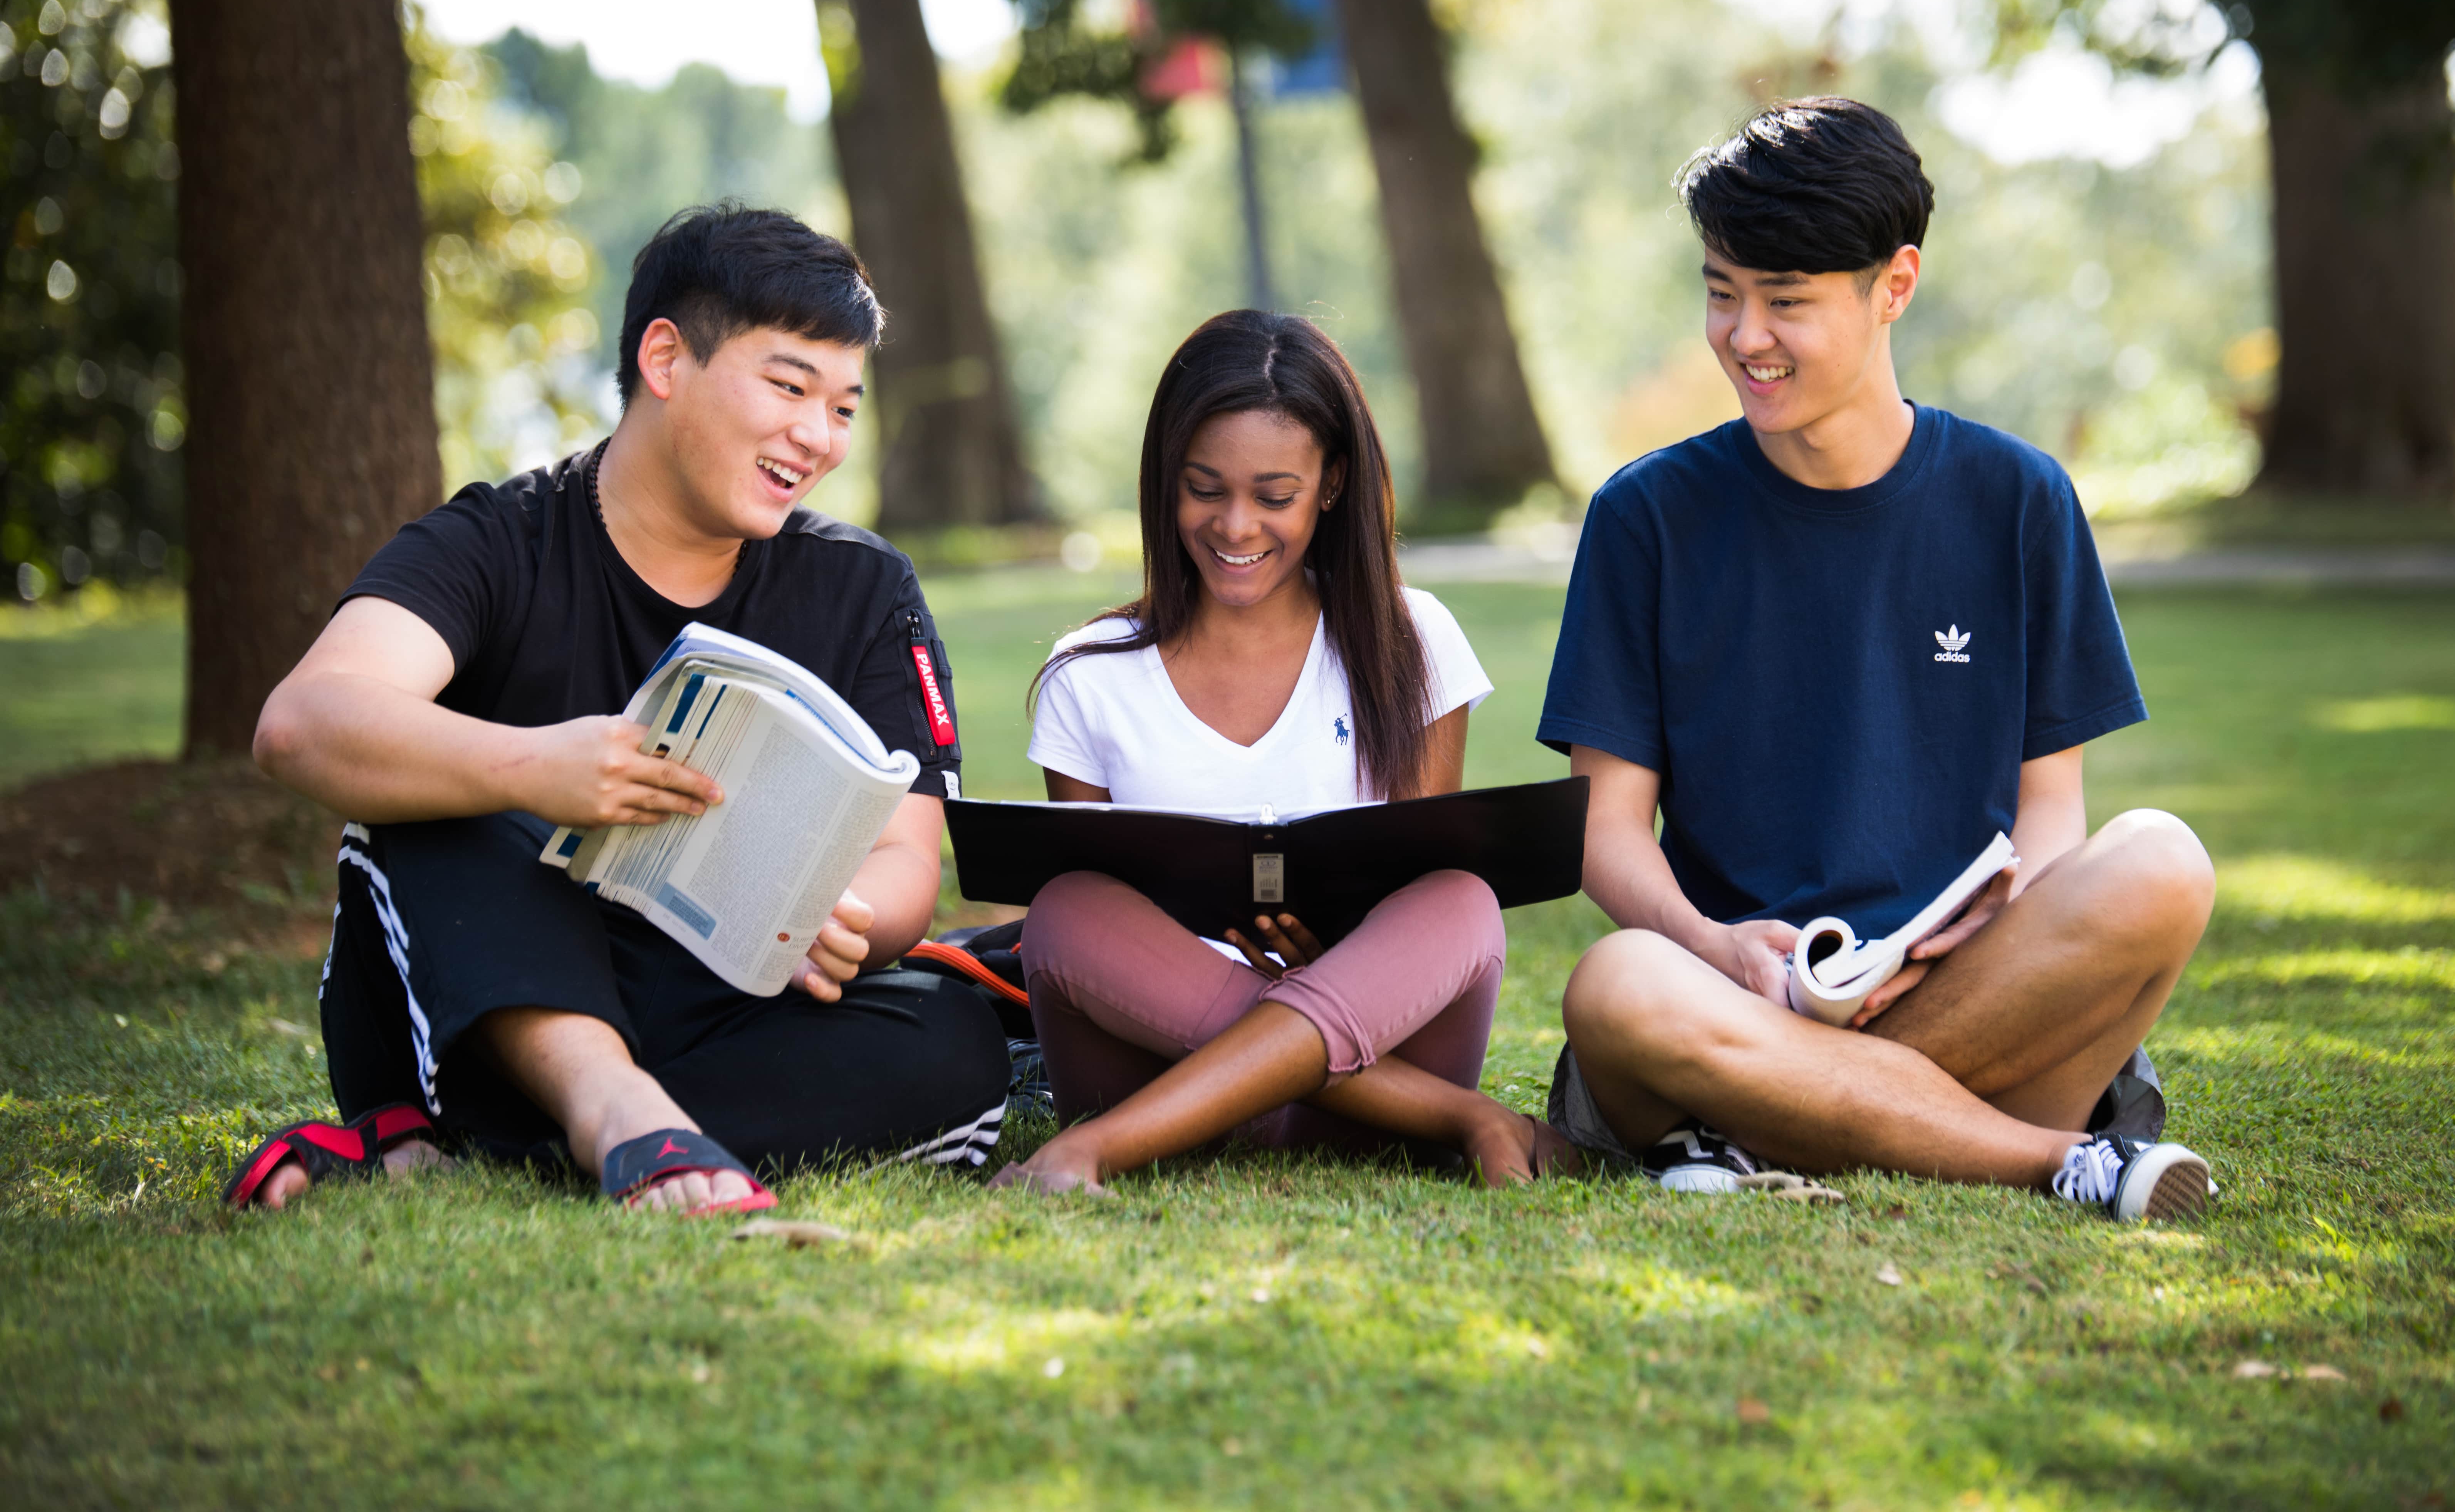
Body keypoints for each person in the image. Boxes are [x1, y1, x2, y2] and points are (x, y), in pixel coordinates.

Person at [233, 206, 1009, 1215]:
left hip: (722, 1002)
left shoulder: (863, 590)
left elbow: (908, 857)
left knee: (954, 1042)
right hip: (480, 992)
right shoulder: (495, 544)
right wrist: (536, 770)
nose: (817, 438)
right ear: (666, 359)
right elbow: (302, 723)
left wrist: (850, 917)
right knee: (450, 803)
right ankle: (610, 1119)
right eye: (788, 387)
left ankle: (503, 1147)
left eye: (843, 407)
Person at [1540, 98, 2217, 1224]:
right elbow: (1608, 832)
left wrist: (1982, 927)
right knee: (1617, 984)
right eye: (1721, 292)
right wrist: (1718, 948)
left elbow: (2052, 815)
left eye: (1786, 302)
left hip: (1961, 991)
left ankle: (1759, 1133)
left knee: (2163, 861)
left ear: (1894, 286)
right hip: (1731, 1004)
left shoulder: (2019, 500)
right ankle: (2045, 1159)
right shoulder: (1644, 517)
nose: (1743, 336)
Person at [988, 311, 1572, 1194]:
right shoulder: (1090, 675)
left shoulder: (1412, 639)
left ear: (1331, 484)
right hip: (1166, 1064)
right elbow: (1107, 911)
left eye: (1273, 495)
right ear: (1164, 481)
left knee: (1460, 899)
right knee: (1066, 908)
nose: (1235, 526)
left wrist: (1336, 952)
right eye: (1204, 488)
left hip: (1374, 1033)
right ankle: (1468, 1119)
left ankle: (1097, 1150)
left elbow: (1415, 885)